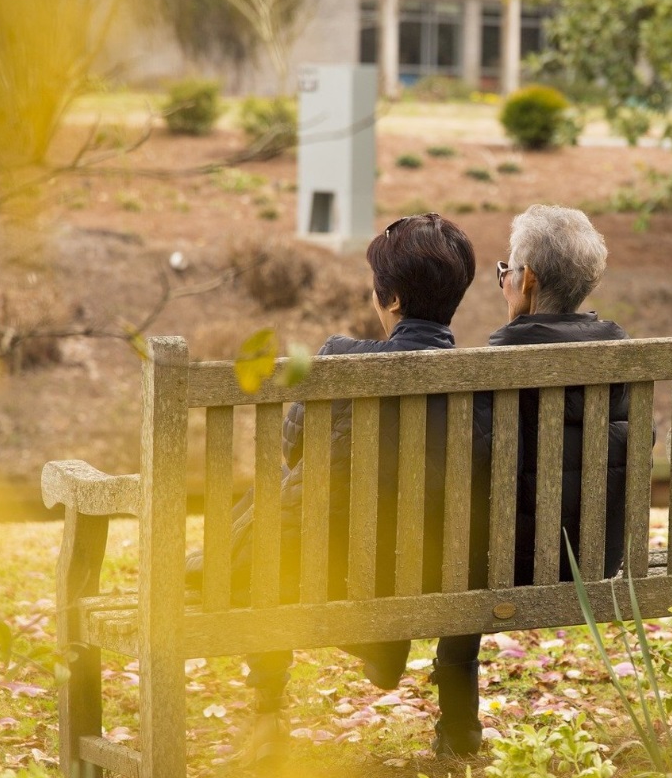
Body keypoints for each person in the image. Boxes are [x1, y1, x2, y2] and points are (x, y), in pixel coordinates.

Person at [185, 212, 477, 738]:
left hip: (333, 567)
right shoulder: (485, 379)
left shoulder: (342, 358)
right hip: (441, 567)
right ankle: (403, 669)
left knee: (273, 520)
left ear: (389, 300)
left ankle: (270, 712)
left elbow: (293, 448)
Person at [432, 204, 638, 758]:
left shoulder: (494, 363)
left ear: (528, 280)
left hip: (504, 565)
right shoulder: (622, 355)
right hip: (596, 557)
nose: (503, 280)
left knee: (463, 556)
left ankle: (459, 734)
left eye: (506, 269)